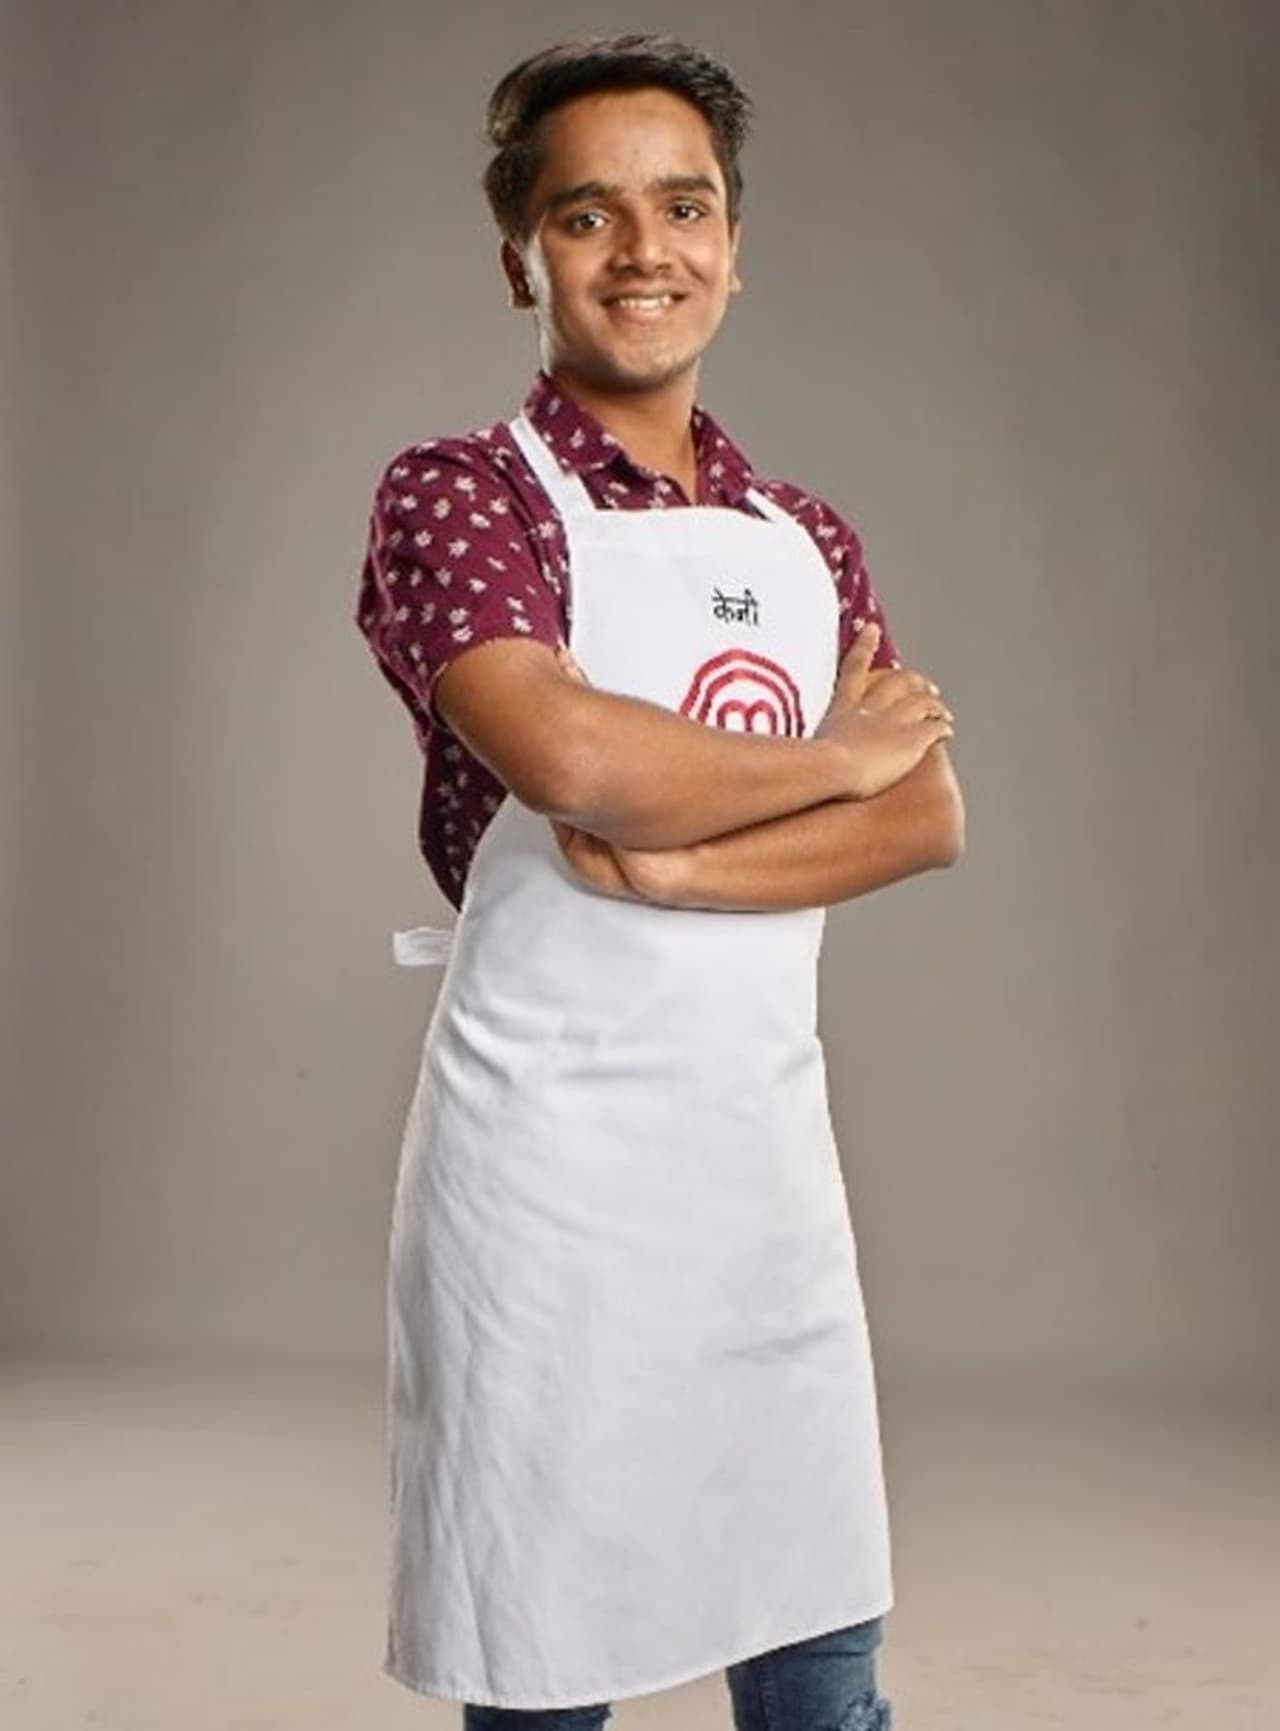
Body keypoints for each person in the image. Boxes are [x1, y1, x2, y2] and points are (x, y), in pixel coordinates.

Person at [355, 32, 964, 1731]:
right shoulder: (464, 496)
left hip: (763, 1173)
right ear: (520, 258)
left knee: (820, 1648)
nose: (645, 252)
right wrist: (834, 759)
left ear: (736, 243)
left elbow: (928, 817)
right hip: (545, 1180)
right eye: (587, 215)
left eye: (684, 208)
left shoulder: (805, 537)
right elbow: (570, 759)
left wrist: (687, 870)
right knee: (546, 1662)